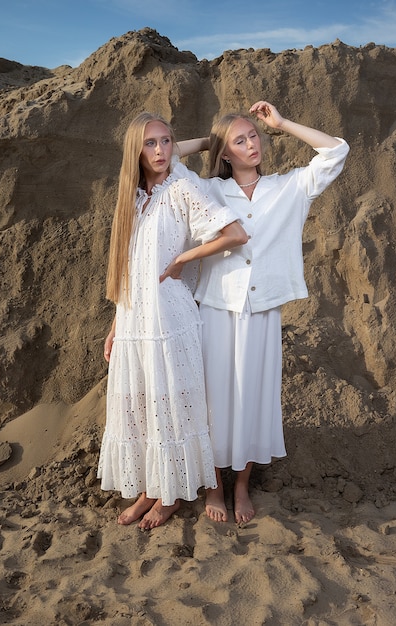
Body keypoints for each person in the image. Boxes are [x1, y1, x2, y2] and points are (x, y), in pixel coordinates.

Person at [178, 100, 349, 524]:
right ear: (224, 153)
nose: (252, 143)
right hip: (217, 308)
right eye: (240, 140)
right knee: (214, 398)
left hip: (262, 311)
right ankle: (215, 486)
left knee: (254, 396)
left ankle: (241, 486)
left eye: (254, 135)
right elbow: (158, 162)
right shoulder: (209, 190)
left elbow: (336, 151)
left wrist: (283, 123)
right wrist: (209, 141)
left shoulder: (289, 187)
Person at [96, 112, 248, 530]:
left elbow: (234, 234)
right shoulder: (132, 196)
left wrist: (183, 258)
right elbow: (126, 268)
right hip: (132, 318)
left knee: (172, 406)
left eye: (167, 141)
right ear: (136, 151)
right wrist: (114, 326)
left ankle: (169, 496)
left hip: (171, 318)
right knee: (142, 406)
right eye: (151, 144)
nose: (161, 151)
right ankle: (149, 488)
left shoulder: (183, 185)